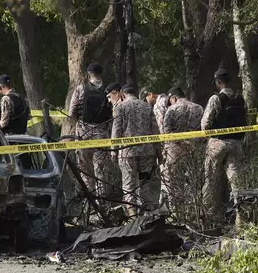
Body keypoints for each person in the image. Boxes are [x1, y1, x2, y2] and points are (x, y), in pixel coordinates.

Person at [201, 68, 248, 230]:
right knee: (237, 184)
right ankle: (240, 221)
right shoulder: (241, 99)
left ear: (218, 82)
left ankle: (213, 220)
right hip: (236, 144)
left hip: (217, 144)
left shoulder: (216, 98)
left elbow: (205, 125)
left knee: (212, 183)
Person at [111, 85, 160, 216]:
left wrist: (113, 150)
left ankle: (132, 217)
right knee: (145, 184)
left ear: (122, 94)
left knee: (129, 186)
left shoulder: (120, 107)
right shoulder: (147, 107)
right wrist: (158, 151)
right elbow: (155, 131)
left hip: (128, 153)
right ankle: (147, 215)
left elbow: (116, 130)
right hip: (146, 152)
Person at [69, 63, 114, 204]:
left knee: (85, 169)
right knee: (100, 169)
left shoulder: (80, 89)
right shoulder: (108, 91)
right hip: (102, 134)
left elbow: (71, 113)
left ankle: (89, 202)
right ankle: (102, 203)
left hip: (83, 134)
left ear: (88, 74)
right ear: (101, 73)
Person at [159, 87, 204, 220]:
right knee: (192, 180)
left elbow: (166, 132)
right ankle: (193, 212)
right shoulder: (198, 108)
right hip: (194, 149)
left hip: (175, 150)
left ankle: (175, 213)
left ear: (173, 98)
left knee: (172, 182)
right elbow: (204, 130)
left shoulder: (171, 110)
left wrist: (179, 142)